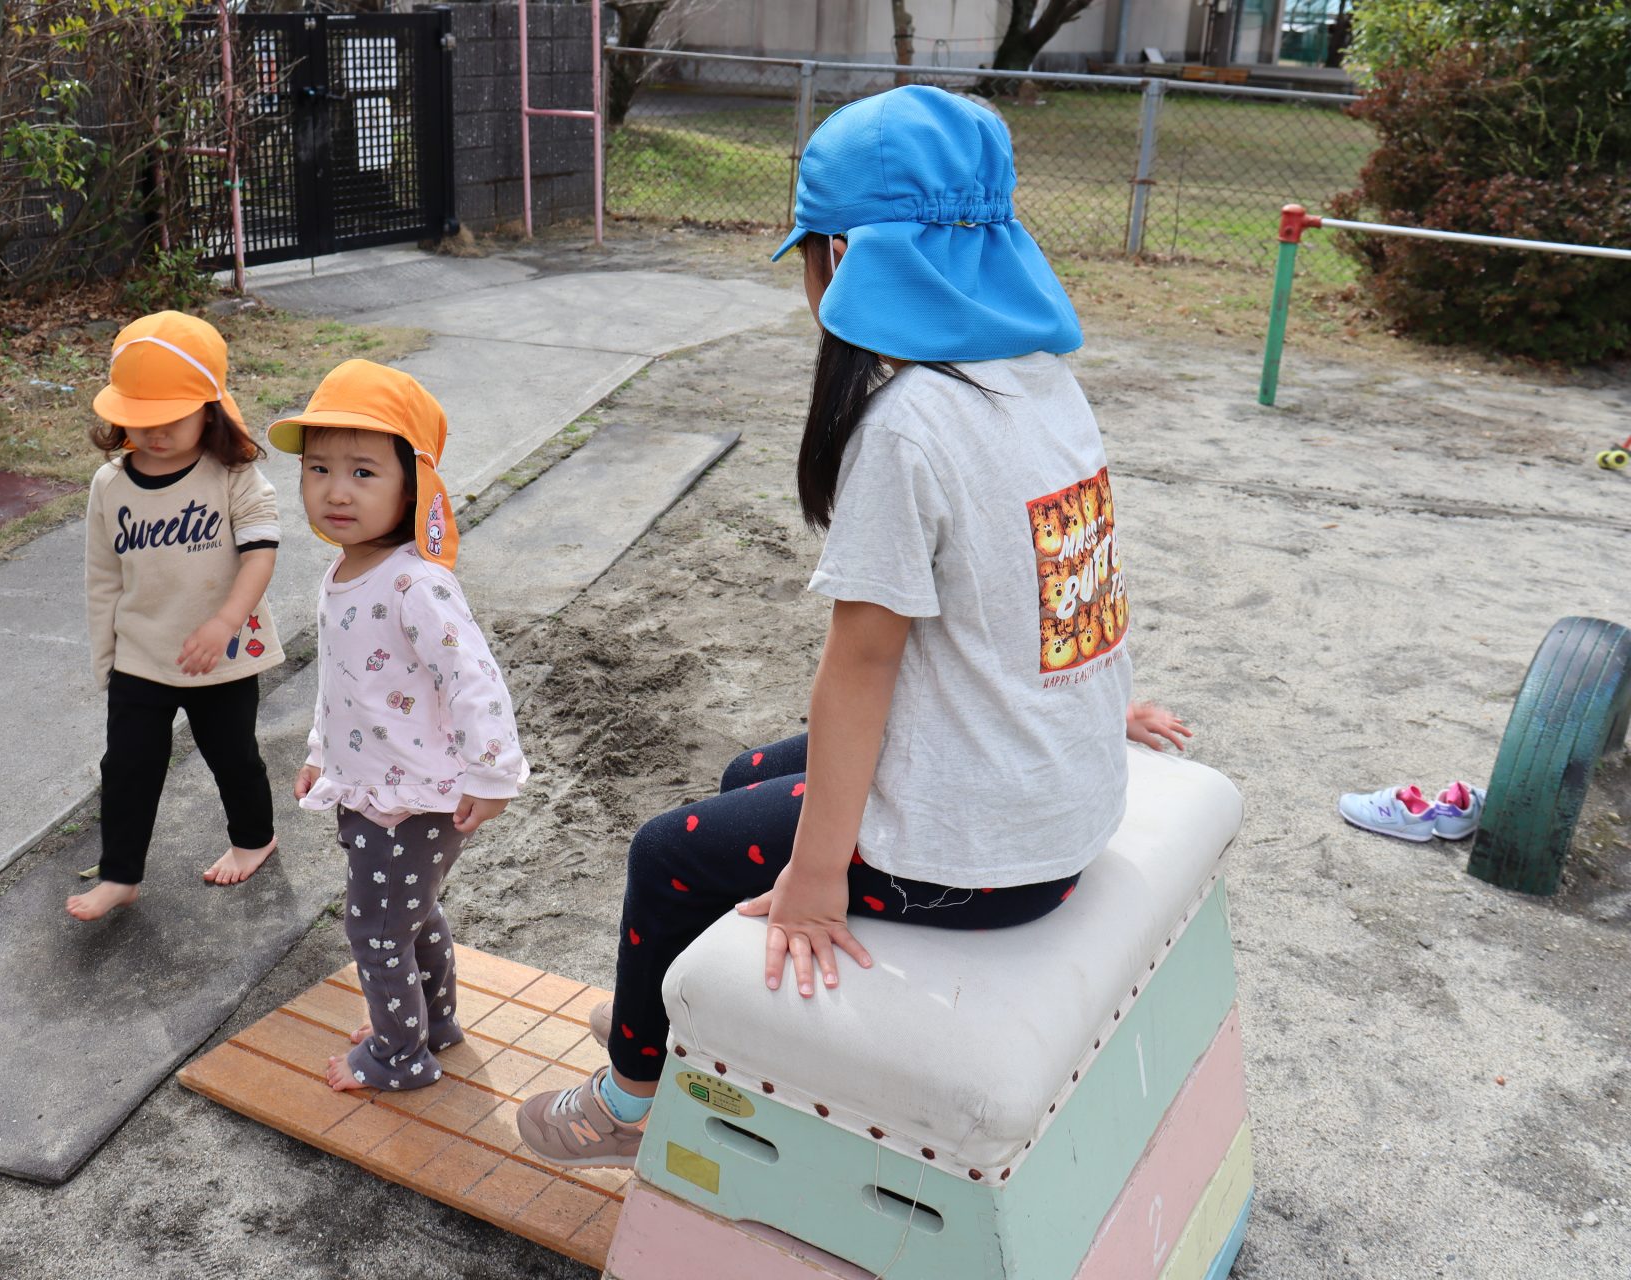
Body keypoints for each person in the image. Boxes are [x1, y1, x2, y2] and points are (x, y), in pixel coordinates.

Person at [517, 85, 1189, 1167]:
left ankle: (630, 1100)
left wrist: (820, 875)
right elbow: (1068, 587)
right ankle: (681, 1015)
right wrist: (1090, 707)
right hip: (1054, 806)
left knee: (667, 853)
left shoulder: (910, 425)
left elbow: (863, 667)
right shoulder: (1042, 382)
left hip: (977, 859)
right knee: (746, 774)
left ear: (841, 256)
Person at [268, 360, 528, 1093]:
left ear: (413, 487)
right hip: (372, 784)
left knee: (376, 931)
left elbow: (473, 678)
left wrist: (493, 774)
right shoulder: (345, 572)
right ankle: (430, 1024)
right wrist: (322, 753)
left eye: (363, 472)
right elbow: (345, 682)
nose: (336, 491)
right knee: (410, 917)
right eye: (318, 469)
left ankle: (397, 1056)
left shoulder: (417, 583)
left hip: (415, 798)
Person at [68, 311, 285, 921]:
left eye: (172, 417)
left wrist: (224, 623)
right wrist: (107, 657)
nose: (156, 432)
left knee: (232, 755)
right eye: (141, 418)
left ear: (210, 410)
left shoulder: (233, 475)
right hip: (142, 653)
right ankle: (120, 874)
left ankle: (254, 839)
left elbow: (261, 556)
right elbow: (103, 577)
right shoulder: (110, 484)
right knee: (127, 766)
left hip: (222, 653)